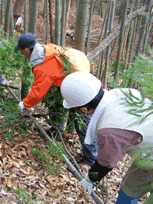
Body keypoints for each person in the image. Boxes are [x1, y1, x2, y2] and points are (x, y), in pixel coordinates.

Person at [60, 71, 153, 203]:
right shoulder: (120, 93)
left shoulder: (109, 130)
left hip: (149, 155)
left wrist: (91, 178)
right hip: (147, 153)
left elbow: (106, 163)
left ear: (85, 109)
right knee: (130, 188)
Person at [14, 32, 97, 167]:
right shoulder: (47, 49)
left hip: (82, 88)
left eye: (22, 50)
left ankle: (91, 159)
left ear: (27, 50)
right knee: (58, 104)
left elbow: (37, 93)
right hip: (73, 82)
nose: (22, 53)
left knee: (82, 121)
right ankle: (56, 130)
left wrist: (25, 103)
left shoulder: (43, 65)